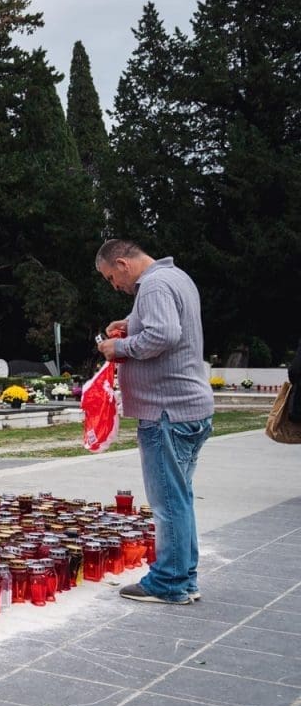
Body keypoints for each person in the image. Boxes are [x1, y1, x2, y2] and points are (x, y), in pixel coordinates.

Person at [95, 239, 214, 605]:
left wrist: (119, 348)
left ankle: (169, 583)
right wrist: (130, 324)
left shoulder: (153, 285)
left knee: (168, 503)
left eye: (111, 277)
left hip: (166, 412)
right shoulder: (175, 277)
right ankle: (185, 578)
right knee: (180, 497)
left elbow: (164, 334)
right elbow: (166, 326)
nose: (115, 286)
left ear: (122, 263)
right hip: (187, 409)